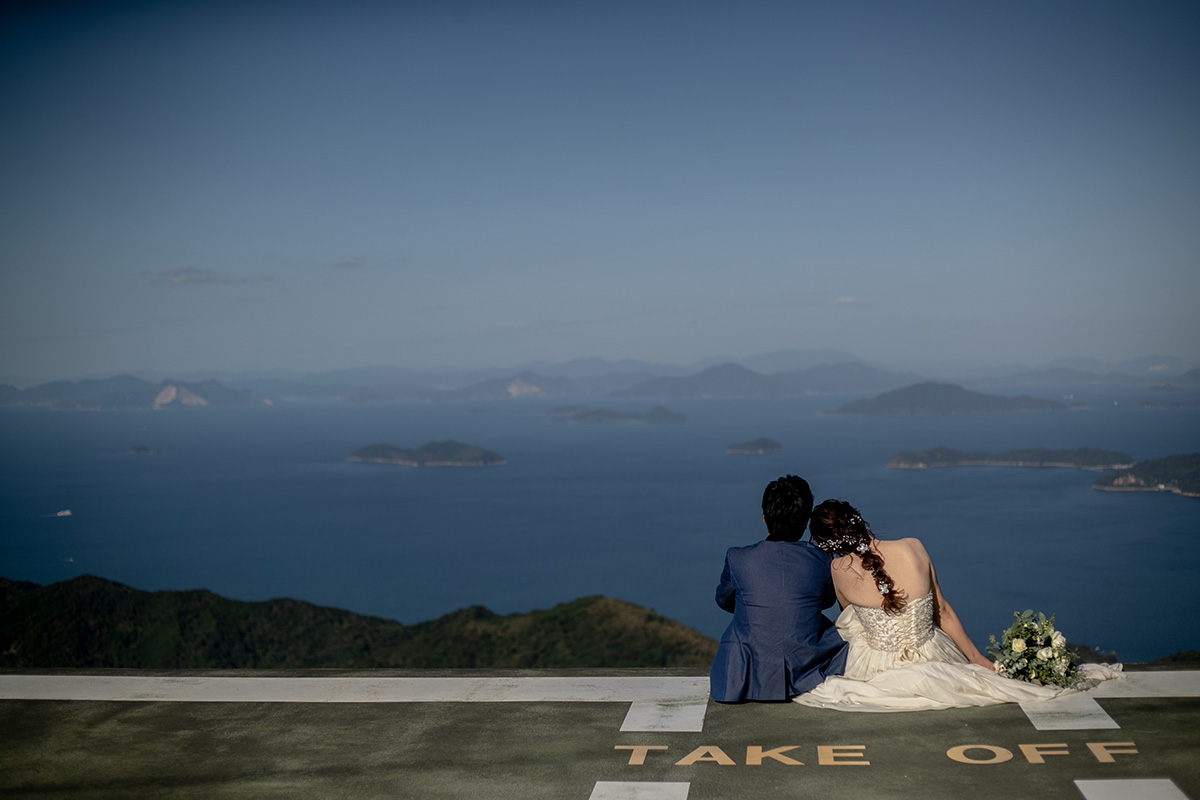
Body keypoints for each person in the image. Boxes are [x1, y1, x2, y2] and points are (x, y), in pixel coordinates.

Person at [793, 500, 1120, 711]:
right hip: (932, 651)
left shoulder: (837, 571)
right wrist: (977, 659)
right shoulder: (913, 547)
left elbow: (850, 622)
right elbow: (943, 613)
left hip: (875, 666)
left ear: (828, 544)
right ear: (860, 520)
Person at [709, 475, 848, 702]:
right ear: (805, 523)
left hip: (745, 677)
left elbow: (723, 601)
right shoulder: (821, 559)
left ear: (764, 518)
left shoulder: (738, 558)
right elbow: (827, 601)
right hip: (807, 668)